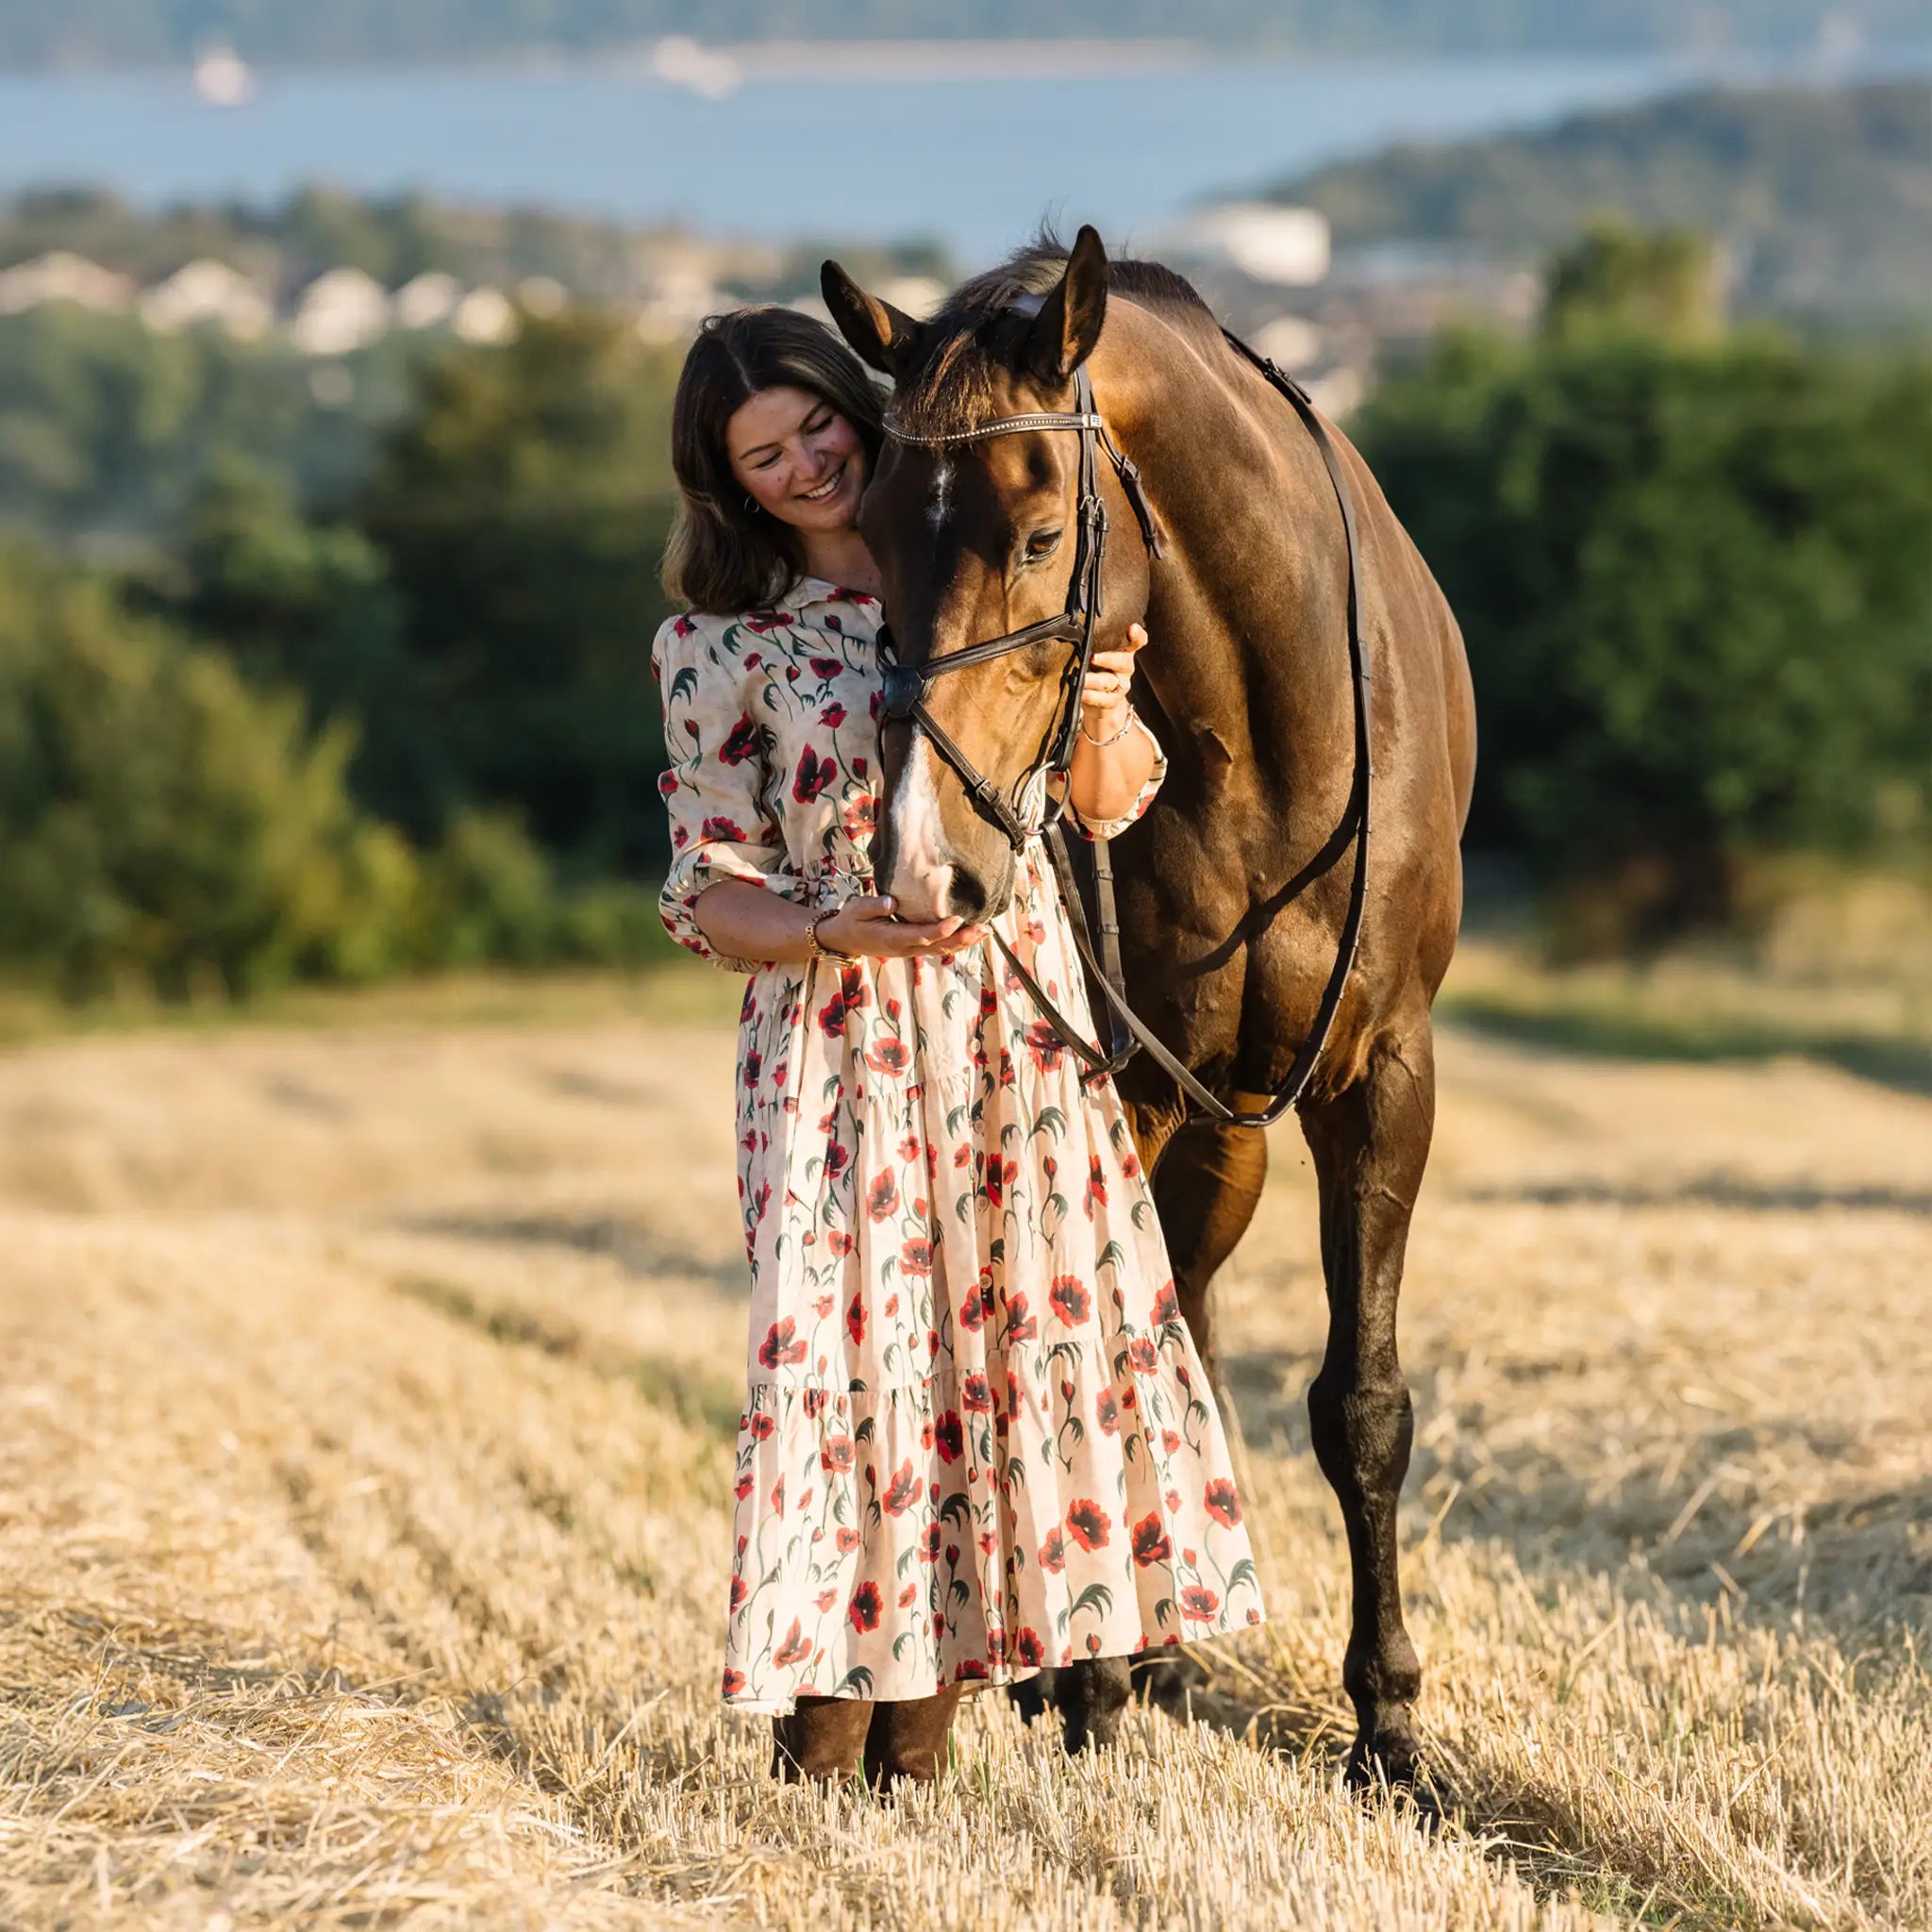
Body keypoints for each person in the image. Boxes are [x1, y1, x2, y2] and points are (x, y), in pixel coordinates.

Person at [653, 306, 1263, 1787]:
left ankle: (925, 1757)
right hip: (843, 1040)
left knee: (1004, 1361)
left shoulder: (980, 582)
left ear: (861, 413)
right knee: (858, 1379)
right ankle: (826, 1758)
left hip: (1015, 1024)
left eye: (818, 426)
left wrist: (1110, 707)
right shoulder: (718, 644)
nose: (806, 463)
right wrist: (826, 933)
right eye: (766, 455)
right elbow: (701, 886)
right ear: (728, 484)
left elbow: (1108, 801)